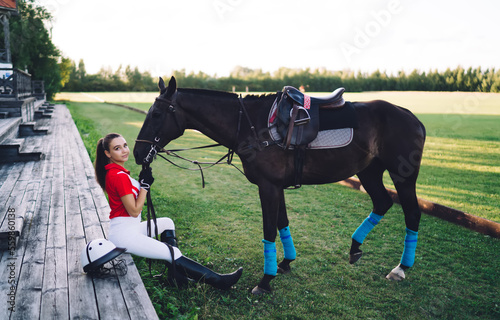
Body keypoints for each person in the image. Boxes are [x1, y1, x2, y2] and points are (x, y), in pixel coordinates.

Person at [94, 133, 242, 290]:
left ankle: (176, 276)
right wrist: (144, 187)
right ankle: (218, 281)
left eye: (125, 145)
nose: (124, 150)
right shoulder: (118, 176)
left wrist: (142, 183)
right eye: (117, 148)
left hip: (129, 228)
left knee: (167, 223)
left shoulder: (118, 173)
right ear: (108, 153)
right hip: (125, 235)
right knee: (171, 252)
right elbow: (135, 211)